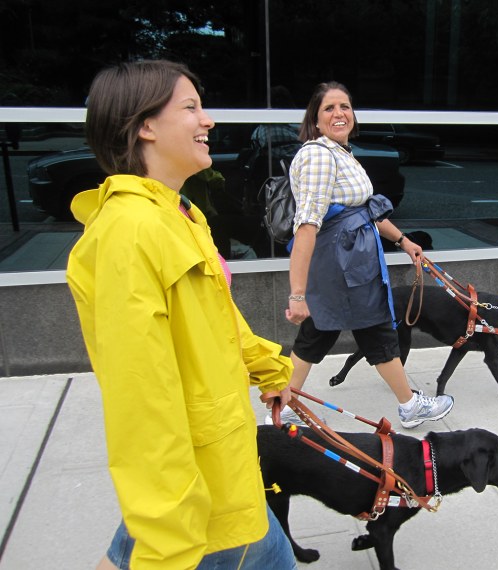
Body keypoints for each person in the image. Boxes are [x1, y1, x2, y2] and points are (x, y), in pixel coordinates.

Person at [66, 60, 297, 569]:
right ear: (144, 125)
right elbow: (141, 401)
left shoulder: (176, 213)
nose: (207, 120)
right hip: (201, 506)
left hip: (222, 469)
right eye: (190, 107)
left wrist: (268, 367)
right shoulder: (128, 234)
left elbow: (215, 318)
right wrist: (169, 542)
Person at [281, 81, 454, 429]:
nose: (339, 113)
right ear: (315, 120)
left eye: (344, 106)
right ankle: (409, 405)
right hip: (341, 265)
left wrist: (403, 240)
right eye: (329, 108)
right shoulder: (318, 154)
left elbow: (365, 210)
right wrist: (297, 294)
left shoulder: (341, 152)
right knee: (373, 329)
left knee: (320, 331)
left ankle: (284, 403)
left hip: (348, 263)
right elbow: (307, 226)